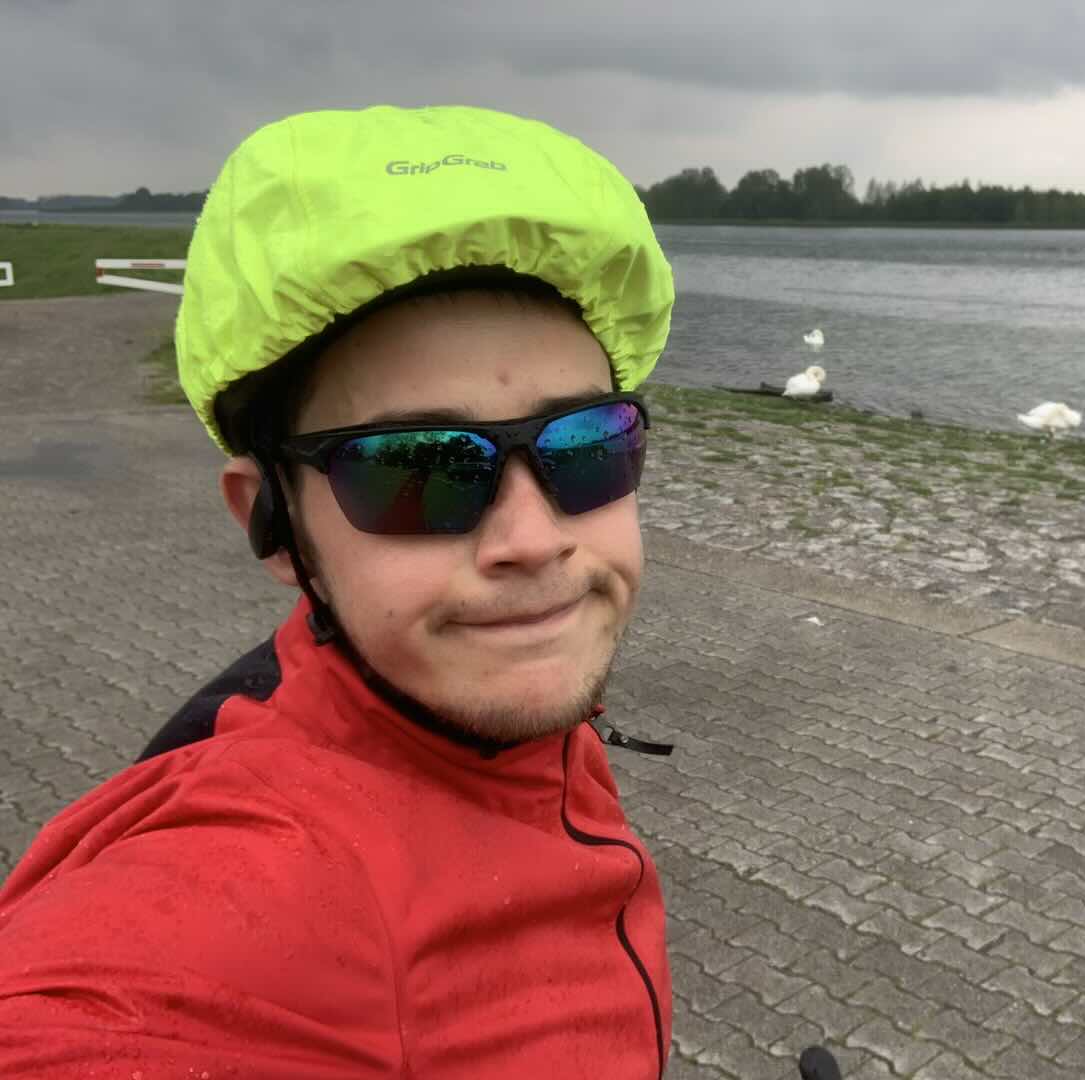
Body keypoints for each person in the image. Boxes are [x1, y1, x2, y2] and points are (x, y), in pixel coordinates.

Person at [0, 104, 677, 1078]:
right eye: (419, 469)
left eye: (587, 447)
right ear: (273, 526)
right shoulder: (240, 907)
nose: (534, 542)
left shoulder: (501, 715)